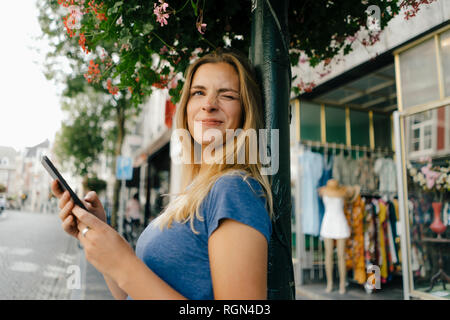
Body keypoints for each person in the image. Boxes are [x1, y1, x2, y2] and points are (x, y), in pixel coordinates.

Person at [51, 48, 274, 300]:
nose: (209, 104)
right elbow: (129, 292)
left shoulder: (234, 190)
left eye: (227, 95)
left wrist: (125, 264)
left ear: (246, 112)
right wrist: (102, 234)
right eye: (198, 92)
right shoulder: (197, 189)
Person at [318, 179, 359, 294]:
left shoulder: (343, 193)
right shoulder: (325, 193)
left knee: (341, 255)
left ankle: (342, 284)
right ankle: (329, 283)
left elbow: (354, 193)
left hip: (340, 223)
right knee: (328, 255)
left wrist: (350, 190)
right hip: (328, 223)